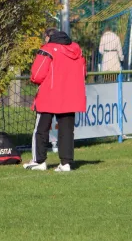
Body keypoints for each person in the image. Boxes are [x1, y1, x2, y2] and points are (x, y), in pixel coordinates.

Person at [23, 28, 86, 172]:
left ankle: (39, 161)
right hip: (71, 95)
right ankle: (66, 163)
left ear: (47, 37)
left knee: (41, 129)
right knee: (67, 131)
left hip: (49, 95)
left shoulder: (47, 49)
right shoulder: (77, 49)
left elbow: (37, 74)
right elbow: (84, 72)